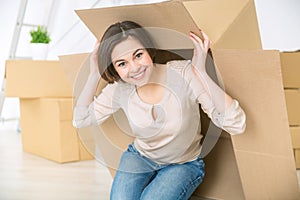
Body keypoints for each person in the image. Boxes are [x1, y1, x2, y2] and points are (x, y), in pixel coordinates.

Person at [73, 21, 246, 200]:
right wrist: (94, 73)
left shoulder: (183, 73)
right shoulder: (120, 88)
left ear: (148, 49)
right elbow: (81, 119)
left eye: (138, 55)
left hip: (183, 164)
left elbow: (236, 124)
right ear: (115, 68)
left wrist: (200, 72)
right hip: (140, 157)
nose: (134, 68)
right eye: (122, 64)